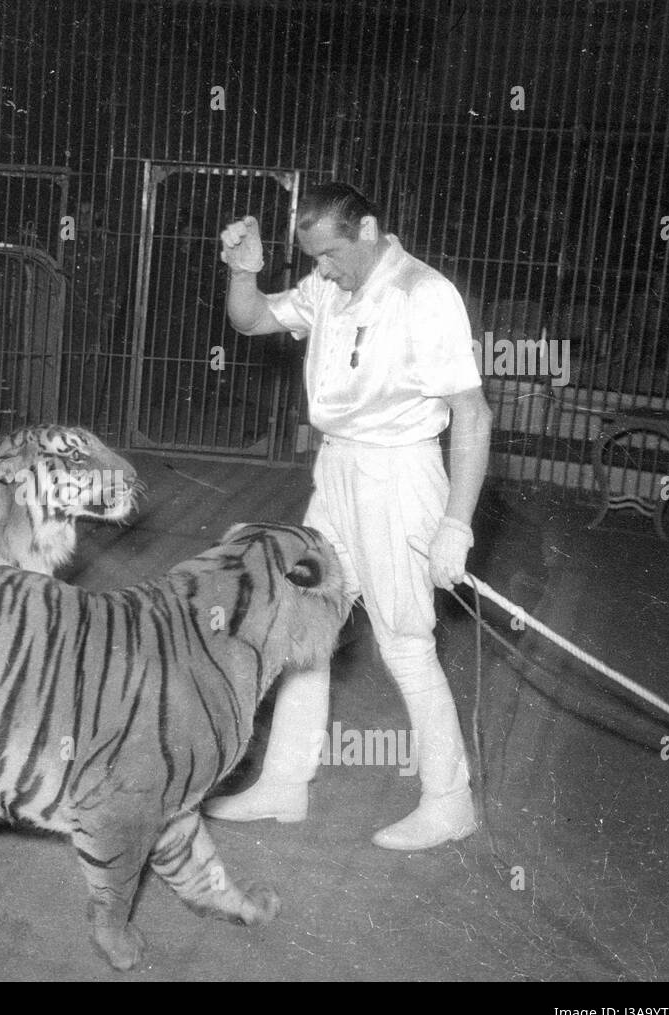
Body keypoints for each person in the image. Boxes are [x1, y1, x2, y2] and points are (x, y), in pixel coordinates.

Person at [205, 182, 493, 851]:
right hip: (337, 470)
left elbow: (472, 415)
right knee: (305, 623)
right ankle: (285, 784)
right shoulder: (329, 285)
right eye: (314, 257)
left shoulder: (424, 293)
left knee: (405, 643)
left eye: (331, 253)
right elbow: (250, 320)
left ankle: (450, 800)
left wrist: (457, 523)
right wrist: (243, 271)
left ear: (366, 228)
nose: (323, 269)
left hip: (399, 474)